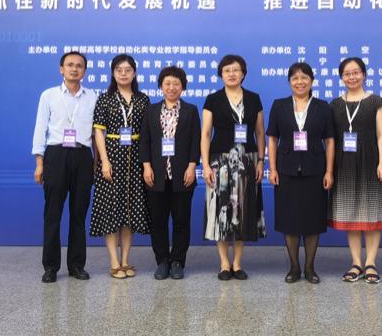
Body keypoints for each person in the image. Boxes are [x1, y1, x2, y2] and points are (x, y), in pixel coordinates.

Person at [32, 51, 97, 283]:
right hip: (56, 155)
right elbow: (40, 128)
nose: (74, 69)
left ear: (84, 71)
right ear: (61, 69)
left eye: (79, 66)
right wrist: (39, 162)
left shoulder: (93, 96)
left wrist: (96, 161)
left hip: (82, 155)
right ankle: (50, 267)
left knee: (79, 214)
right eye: (70, 65)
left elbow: (96, 133)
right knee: (53, 214)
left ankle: (77, 265)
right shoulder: (48, 95)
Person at [267, 62, 335, 284]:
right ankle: (294, 268)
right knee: (290, 221)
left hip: (315, 171)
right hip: (286, 171)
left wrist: (329, 171)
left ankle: (310, 268)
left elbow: (330, 141)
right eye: (295, 78)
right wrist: (272, 168)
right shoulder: (279, 106)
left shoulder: (323, 107)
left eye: (304, 77)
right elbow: (272, 138)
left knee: (313, 221)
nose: (300, 82)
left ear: (312, 81)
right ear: (289, 82)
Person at [201, 54, 266, 281]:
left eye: (236, 70)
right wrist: (205, 164)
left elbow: (260, 132)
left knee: (243, 211)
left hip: (247, 160)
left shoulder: (254, 99)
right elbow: (206, 134)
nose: (231, 74)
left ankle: (237, 264)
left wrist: (261, 160)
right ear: (221, 74)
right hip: (219, 161)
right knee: (220, 211)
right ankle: (224, 264)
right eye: (227, 70)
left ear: (243, 74)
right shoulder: (213, 99)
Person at [328, 57, 382, 283]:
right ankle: (356, 262)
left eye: (356, 72)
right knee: (350, 213)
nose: (352, 77)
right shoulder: (335, 104)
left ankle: (371, 263)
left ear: (363, 74)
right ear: (341, 77)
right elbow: (331, 139)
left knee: (372, 213)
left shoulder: (375, 101)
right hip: (344, 162)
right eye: (347, 73)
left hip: (370, 160)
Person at [90, 54, 151, 279]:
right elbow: (98, 131)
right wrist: (104, 161)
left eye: (128, 70)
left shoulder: (143, 99)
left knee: (130, 212)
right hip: (112, 160)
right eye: (119, 70)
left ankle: (125, 260)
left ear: (134, 73)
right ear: (113, 73)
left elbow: (148, 133)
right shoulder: (105, 98)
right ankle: (114, 263)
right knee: (111, 211)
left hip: (135, 160)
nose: (123, 74)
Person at [139, 66, 201, 280]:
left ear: (183, 87)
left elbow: (195, 140)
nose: (171, 87)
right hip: (156, 175)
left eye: (176, 84)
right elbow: (145, 140)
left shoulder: (191, 111)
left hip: (183, 174)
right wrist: (146, 166)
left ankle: (177, 262)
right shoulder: (151, 110)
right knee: (158, 221)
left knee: (181, 221)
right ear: (161, 86)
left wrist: (192, 166)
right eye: (167, 84)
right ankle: (162, 261)